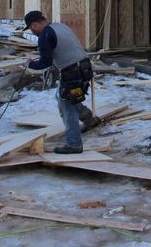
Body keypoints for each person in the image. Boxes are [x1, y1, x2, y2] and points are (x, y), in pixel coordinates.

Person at [23, 10, 100, 153]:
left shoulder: (45, 35)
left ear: (34, 25)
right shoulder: (59, 26)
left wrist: (29, 64)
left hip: (72, 72)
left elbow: (46, 62)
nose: (33, 32)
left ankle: (74, 144)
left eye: (31, 29)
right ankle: (90, 120)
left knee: (67, 107)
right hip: (84, 67)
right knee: (70, 98)